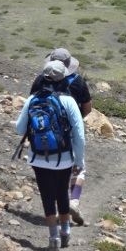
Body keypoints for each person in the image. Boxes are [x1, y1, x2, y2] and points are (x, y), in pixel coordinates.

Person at [16, 60, 85, 251]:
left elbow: (18, 128)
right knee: (62, 193)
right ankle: (65, 230)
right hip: (63, 157)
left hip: (37, 156)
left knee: (47, 195)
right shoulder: (69, 101)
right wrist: (79, 161)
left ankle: (53, 235)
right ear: (63, 78)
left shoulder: (32, 99)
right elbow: (79, 135)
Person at [30, 48, 91, 225]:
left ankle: (55, 211)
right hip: (70, 130)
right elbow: (87, 108)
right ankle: (74, 200)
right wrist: (74, 122)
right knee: (78, 167)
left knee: (52, 169)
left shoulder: (41, 79)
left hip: (44, 133)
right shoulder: (77, 81)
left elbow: (32, 104)